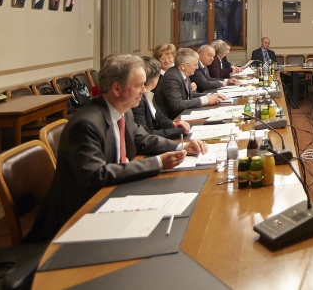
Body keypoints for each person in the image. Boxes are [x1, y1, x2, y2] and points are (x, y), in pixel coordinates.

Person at [26, 54, 207, 243]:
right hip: (78, 215)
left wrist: (183, 145)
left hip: (114, 197)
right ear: (117, 88)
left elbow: (143, 139)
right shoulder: (86, 124)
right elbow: (97, 175)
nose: (144, 91)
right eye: (138, 86)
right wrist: (158, 163)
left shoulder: (123, 111)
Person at [154, 48, 225, 120]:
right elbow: (177, 104)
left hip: (185, 114)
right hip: (174, 120)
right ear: (183, 66)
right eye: (195, 65)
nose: (197, 67)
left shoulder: (183, 73)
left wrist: (210, 95)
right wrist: (205, 100)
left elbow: (190, 95)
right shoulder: (172, 78)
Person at [132, 57, 190, 139]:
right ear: (154, 79)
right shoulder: (137, 100)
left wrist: (173, 124)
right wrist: (176, 131)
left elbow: (160, 117)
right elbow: (145, 134)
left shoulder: (149, 95)